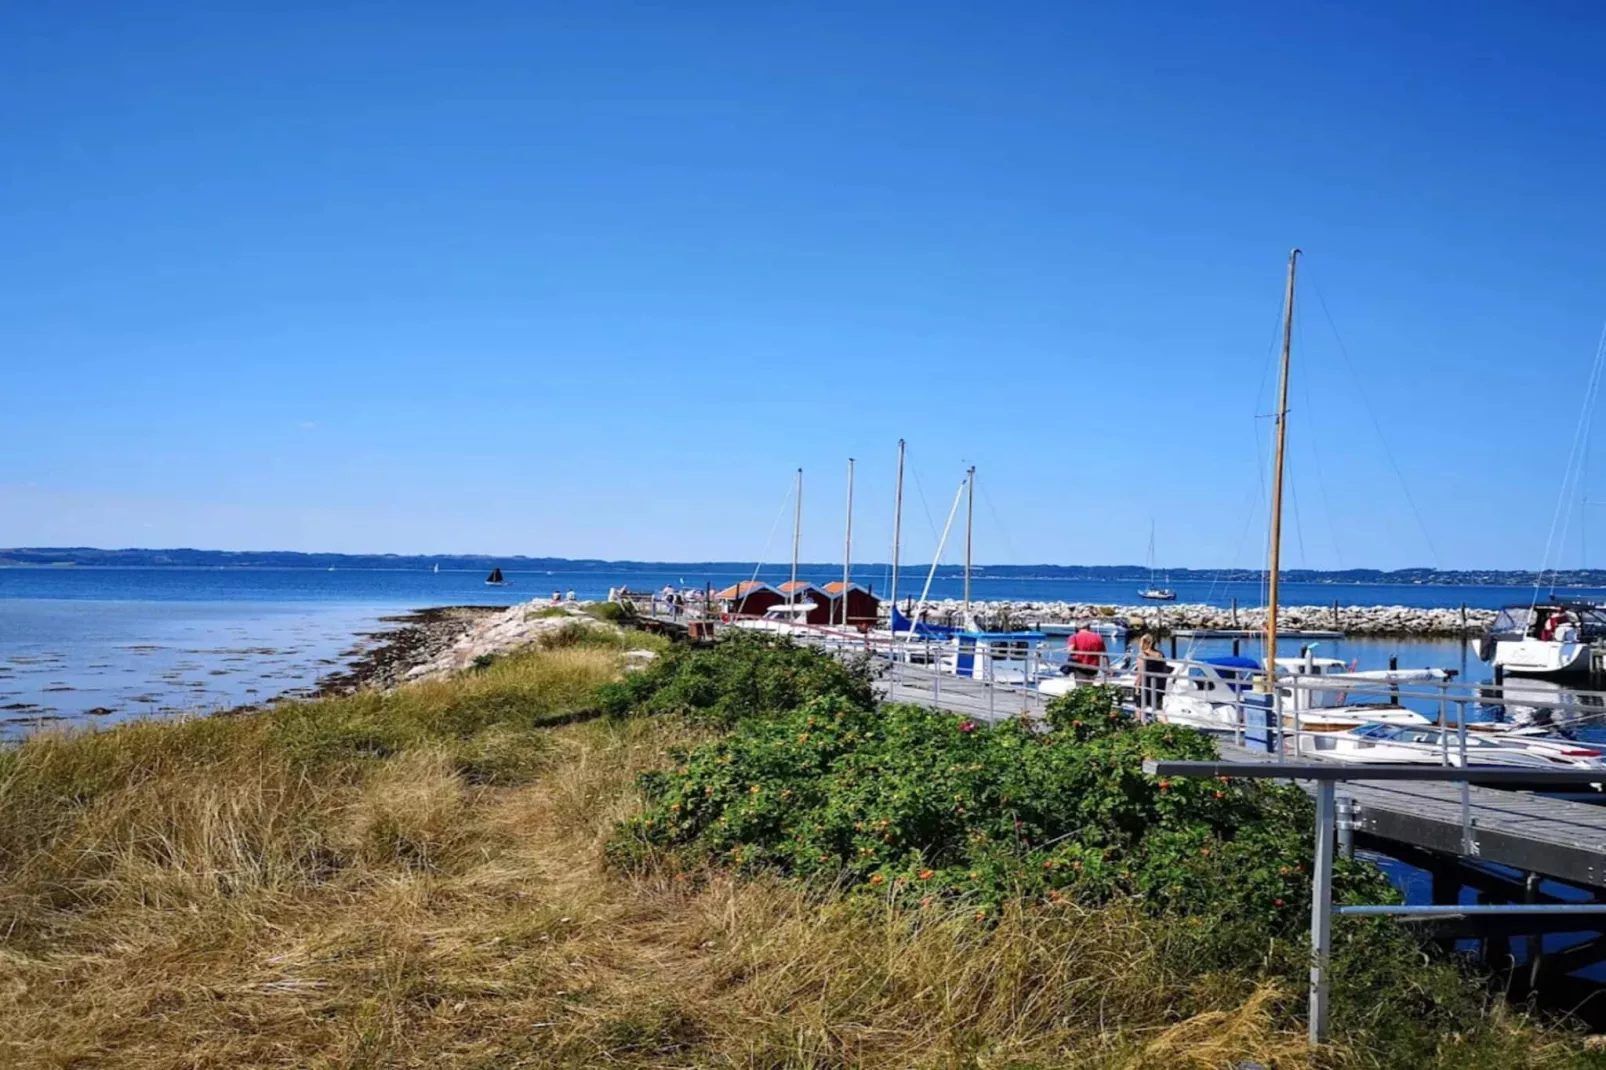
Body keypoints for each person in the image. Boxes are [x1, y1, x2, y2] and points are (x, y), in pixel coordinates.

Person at [1136, 632, 1169, 715]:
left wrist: (1137, 687)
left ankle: (1141, 723)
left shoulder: (1142, 655)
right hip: (1159, 685)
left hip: (1145, 684)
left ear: (1143, 643)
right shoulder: (1160, 654)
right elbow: (1164, 669)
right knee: (1158, 709)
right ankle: (1164, 724)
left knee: (1139, 707)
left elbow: (1140, 673)